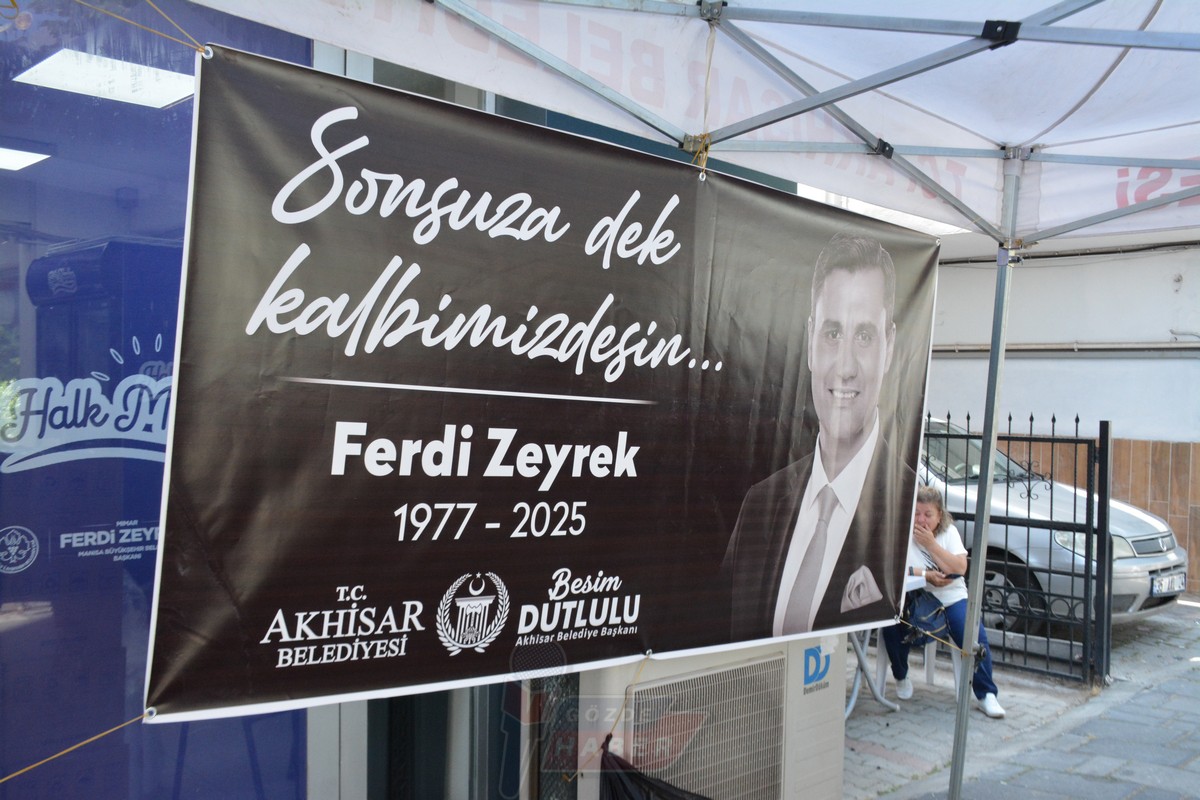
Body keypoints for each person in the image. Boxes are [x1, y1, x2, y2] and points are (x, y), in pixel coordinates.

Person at [723, 232, 913, 638]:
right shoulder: (759, 506)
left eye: (864, 336)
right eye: (833, 333)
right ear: (811, 341)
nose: (845, 367)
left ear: (890, 347)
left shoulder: (906, 507)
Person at [882, 484, 1006, 718]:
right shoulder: (902, 532)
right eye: (917, 513)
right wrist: (925, 575)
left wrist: (931, 545)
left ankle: (986, 694)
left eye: (928, 514)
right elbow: (892, 568)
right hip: (916, 598)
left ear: (939, 515)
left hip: (951, 597)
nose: (921, 520)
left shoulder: (949, 533)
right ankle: (900, 675)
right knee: (892, 624)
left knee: (973, 634)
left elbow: (959, 568)